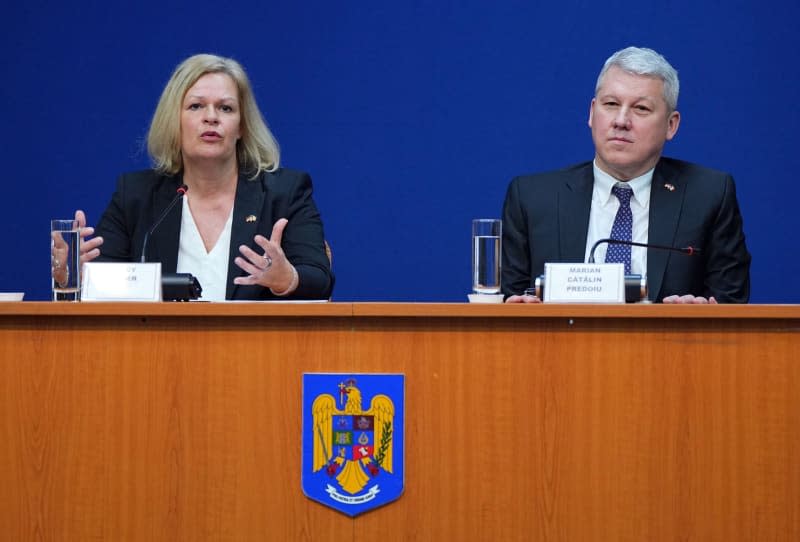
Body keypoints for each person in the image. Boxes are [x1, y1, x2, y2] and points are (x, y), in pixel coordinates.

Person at [68, 54, 334, 300]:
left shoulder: (285, 193)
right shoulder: (136, 195)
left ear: (241, 126)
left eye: (226, 108)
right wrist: (75, 275)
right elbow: (105, 287)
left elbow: (320, 278)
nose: (211, 117)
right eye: (196, 106)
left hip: (256, 348)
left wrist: (287, 279)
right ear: (175, 120)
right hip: (160, 349)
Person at [502, 46, 750, 304]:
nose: (621, 121)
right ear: (591, 112)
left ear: (671, 125)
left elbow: (731, 306)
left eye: (641, 109)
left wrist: (700, 316)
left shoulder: (708, 195)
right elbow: (509, 303)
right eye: (611, 104)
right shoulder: (532, 198)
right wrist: (516, 308)